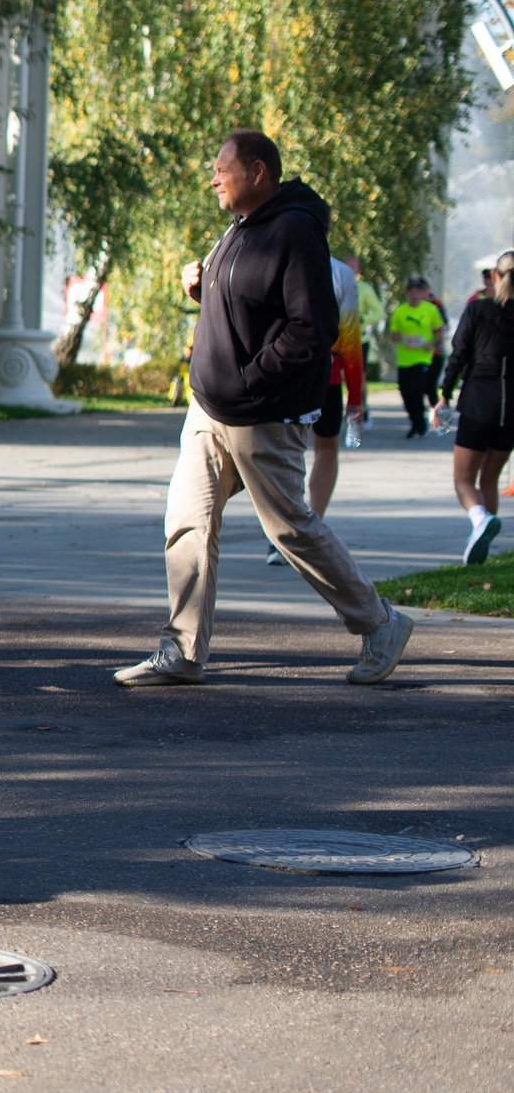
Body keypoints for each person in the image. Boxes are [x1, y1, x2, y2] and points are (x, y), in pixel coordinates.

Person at [114, 129, 410, 688]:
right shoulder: (242, 227)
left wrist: (252, 379)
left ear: (257, 171)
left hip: (261, 413)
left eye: (222, 169)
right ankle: (181, 651)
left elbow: (312, 327)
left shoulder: (294, 229)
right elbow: (247, 307)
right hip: (208, 411)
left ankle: (381, 622)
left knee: (290, 530)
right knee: (187, 522)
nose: (213, 179)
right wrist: (200, 290)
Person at [273, 251, 368, 566]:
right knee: (325, 449)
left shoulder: (275, 258)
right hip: (325, 375)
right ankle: (310, 528)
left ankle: (281, 534)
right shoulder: (340, 273)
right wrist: (356, 395)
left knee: (285, 452)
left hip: (283, 374)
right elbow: (350, 339)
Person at [437, 250, 514, 565]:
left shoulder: (478, 310)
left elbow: (458, 355)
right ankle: (484, 538)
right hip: (511, 409)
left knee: (463, 479)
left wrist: (444, 393)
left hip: (479, 401)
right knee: (490, 480)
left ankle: (480, 520)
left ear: (494, 276)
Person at [387, 275, 446, 438]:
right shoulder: (400, 311)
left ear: (423, 293)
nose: (415, 294)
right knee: (406, 392)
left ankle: (420, 422)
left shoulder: (431, 309)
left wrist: (432, 342)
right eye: (412, 291)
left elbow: (440, 329)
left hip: (422, 358)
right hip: (404, 358)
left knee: (417, 390)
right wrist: (400, 338)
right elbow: (393, 334)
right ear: (407, 293)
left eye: (418, 291)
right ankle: (414, 420)